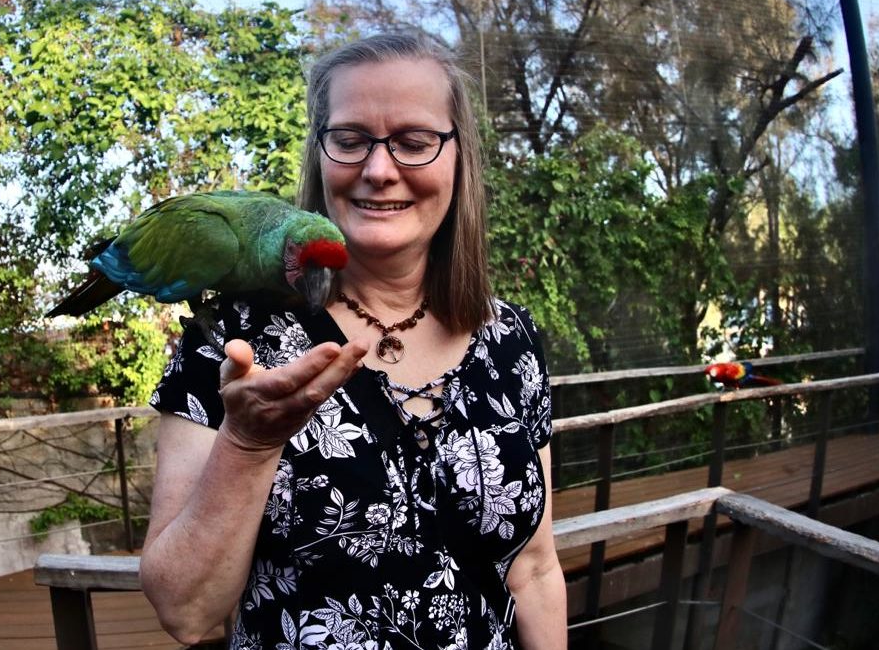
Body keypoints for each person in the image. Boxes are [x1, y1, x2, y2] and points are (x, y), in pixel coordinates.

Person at [140, 33, 567, 650]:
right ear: (320, 153)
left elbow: (534, 569)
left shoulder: (512, 338)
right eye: (349, 140)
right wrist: (248, 444)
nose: (378, 170)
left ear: (459, 157)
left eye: (414, 142)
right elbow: (185, 613)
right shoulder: (234, 337)